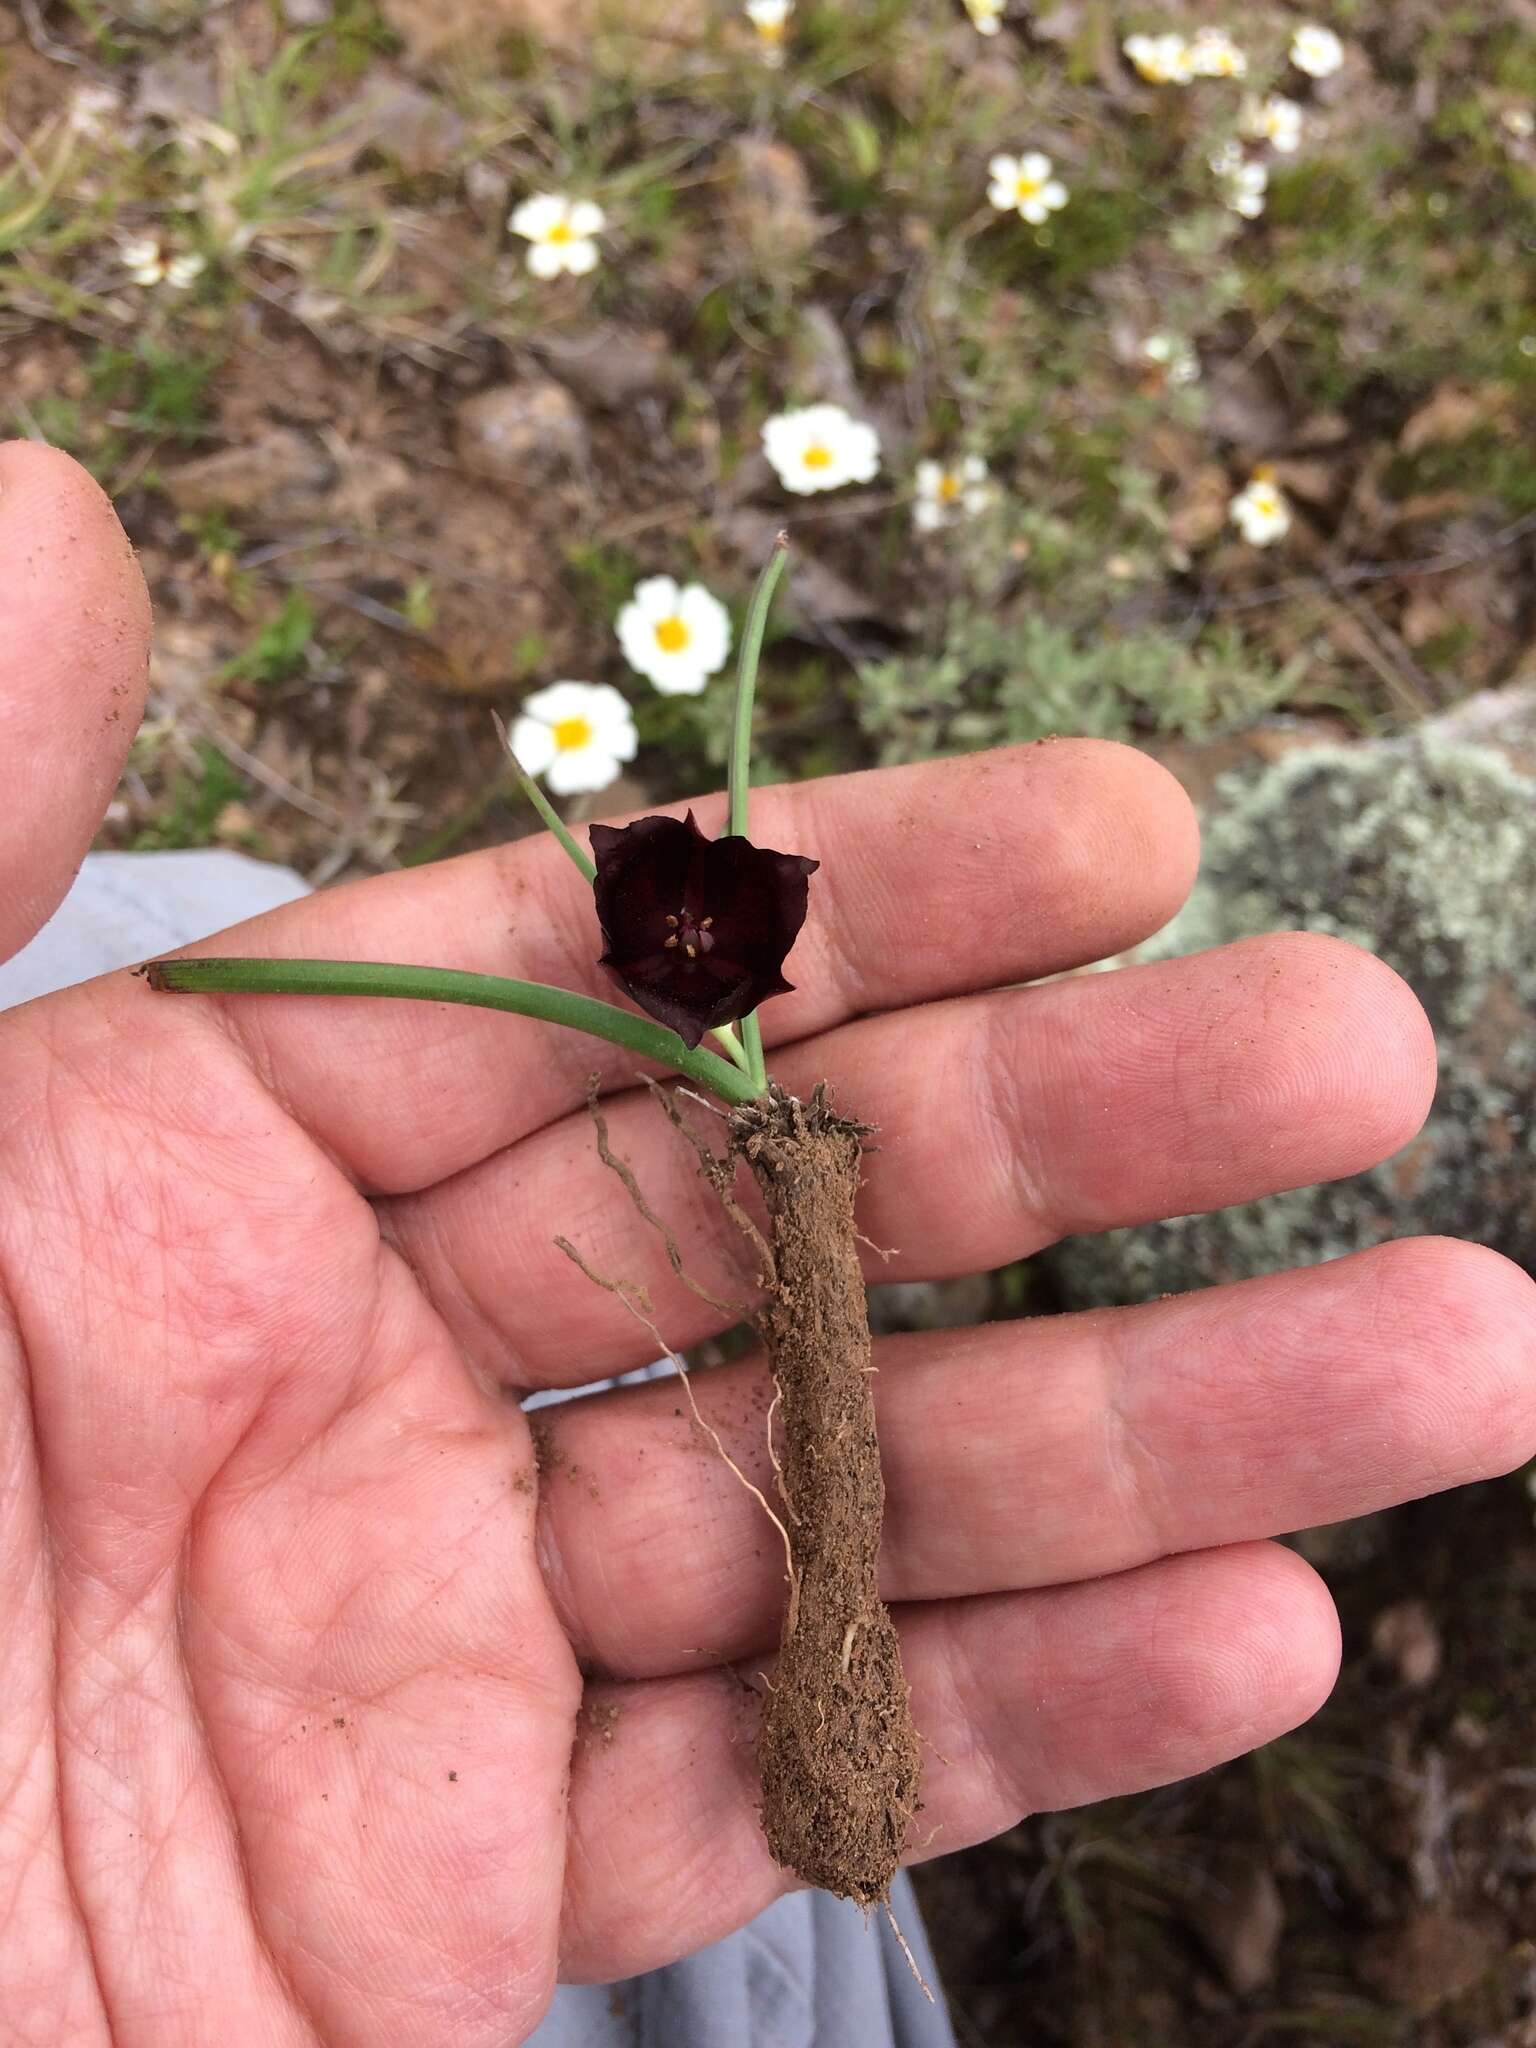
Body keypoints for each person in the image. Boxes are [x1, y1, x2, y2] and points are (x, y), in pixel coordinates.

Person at [1, 437, 1532, 2048]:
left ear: (752, 932)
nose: (681, 928)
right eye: (662, 926)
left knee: (209, 916)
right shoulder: (664, 945)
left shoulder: (743, 939)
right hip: (507, 1937)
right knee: (199, 926)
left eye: (705, 926)